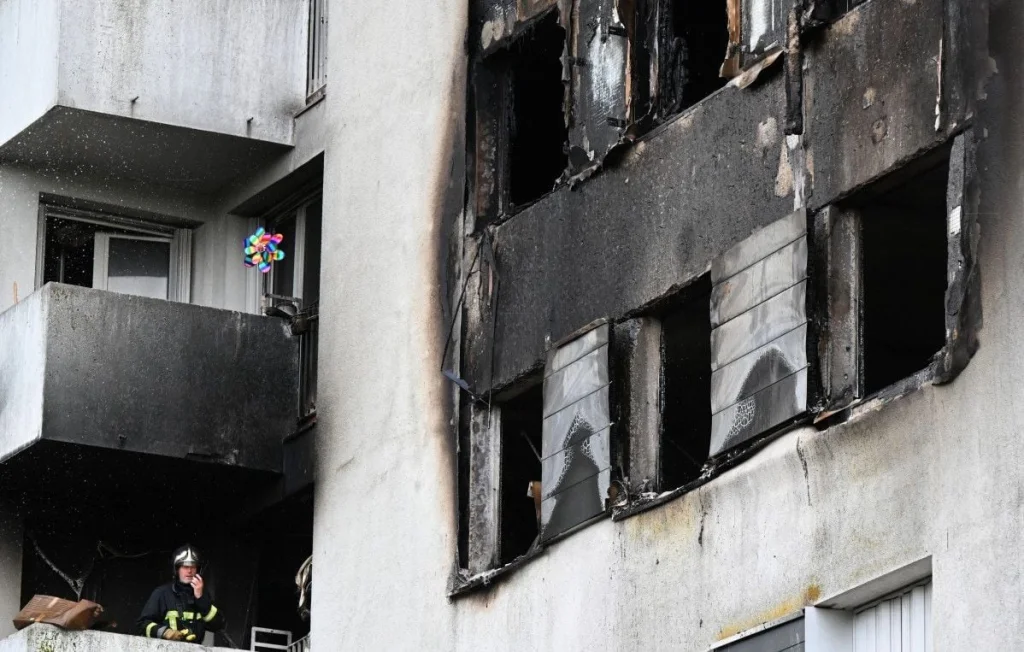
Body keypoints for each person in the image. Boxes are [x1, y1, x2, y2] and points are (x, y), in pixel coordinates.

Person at [137, 544, 224, 643]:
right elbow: (142, 625)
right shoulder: (162, 593)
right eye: (185, 566)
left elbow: (219, 625)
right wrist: (165, 632)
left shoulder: (203, 595)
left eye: (193, 566)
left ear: (198, 570)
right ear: (177, 569)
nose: (189, 571)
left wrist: (201, 599)